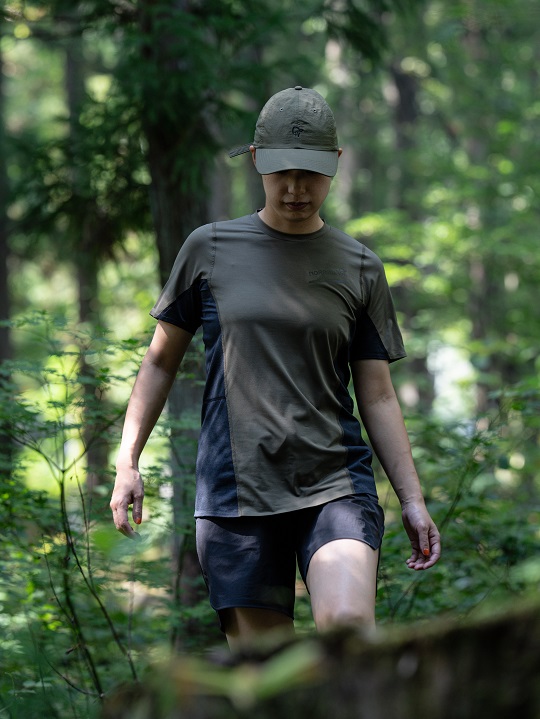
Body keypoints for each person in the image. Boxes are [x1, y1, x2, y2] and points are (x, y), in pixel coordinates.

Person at [110, 86, 441, 652]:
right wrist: (128, 461)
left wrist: (411, 498)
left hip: (335, 483)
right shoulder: (209, 248)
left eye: (310, 174)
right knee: (266, 673)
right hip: (236, 493)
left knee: (348, 637)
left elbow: (379, 395)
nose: (295, 189)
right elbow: (160, 361)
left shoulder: (360, 266)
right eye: (282, 172)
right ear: (256, 160)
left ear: (335, 164)